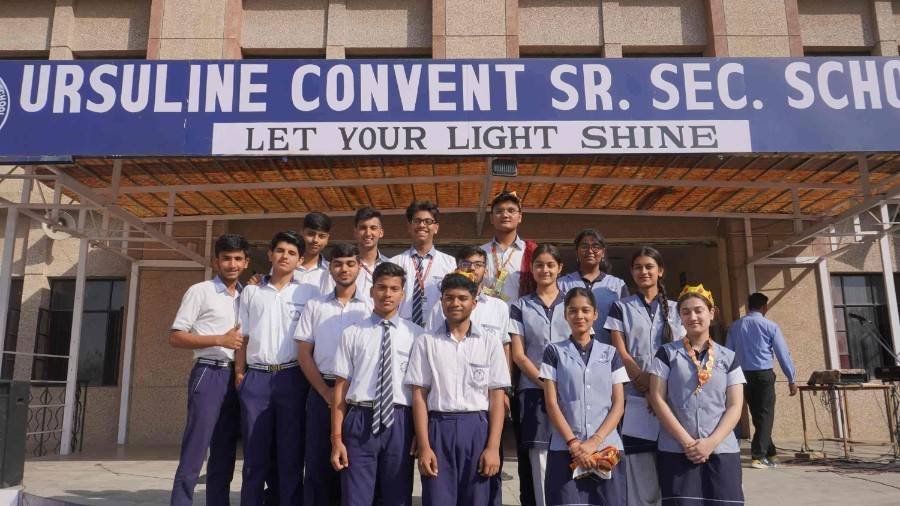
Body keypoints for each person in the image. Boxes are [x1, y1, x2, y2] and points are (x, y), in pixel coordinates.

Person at [405, 272, 511, 506]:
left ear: (474, 303)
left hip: (477, 429)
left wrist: (493, 447)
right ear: (441, 301)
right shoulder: (426, 341)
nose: (455, 303)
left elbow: (496, 398)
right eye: (449, 297)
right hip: (438, 428)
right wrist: (424, 446)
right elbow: (419, 396)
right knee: (437, 498)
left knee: (477, 498)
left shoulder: (489, 342)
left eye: (462, 298)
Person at [331, 262, 423, 506]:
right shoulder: (352, 333)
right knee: (355, 497)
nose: (387, 294)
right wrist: (337, 438)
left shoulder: (417, 335)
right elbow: (340, 388)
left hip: (400, 420)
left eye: (394, 289)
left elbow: (420, 391)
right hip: (360, 418)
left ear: (403, 294)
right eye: (381, 287)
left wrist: (419, 433)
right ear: (372, 291)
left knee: (397, 496)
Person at [169, 234, 249, 506]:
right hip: (209, 372)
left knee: (225, 450)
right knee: (196, 446)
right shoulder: (200, 291)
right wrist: (219, 339)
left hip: (237, 376)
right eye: (226, 258)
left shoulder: (247, 296)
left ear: (246, 262)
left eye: (238, 259)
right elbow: (176, 337)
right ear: (216, 261)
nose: (232, 264)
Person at [648, 284, 745, 506]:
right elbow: (657, 398)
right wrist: (687, 442)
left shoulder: (729, 357)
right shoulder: (666, 354)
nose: (692, 317)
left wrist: (711, 442)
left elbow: (735, 405)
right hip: (677, 449)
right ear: (680, 318)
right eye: (686, 312)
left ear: (711, 313)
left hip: (721, 450)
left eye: (698, 310)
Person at [605, 246, 685, 506]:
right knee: (639, 466)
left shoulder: (678, 309)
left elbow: (682, 353)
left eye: (649, 266)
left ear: (660, 271)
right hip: (636, 397)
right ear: (631, 272)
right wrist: (646, 388)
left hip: (671, 398)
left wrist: (657, 392)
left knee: (672, 461)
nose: (644, 272)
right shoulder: (620, 307)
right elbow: (620, 350)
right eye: (638, 267)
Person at [236, 231, 308, 506]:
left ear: (300, 260)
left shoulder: (308, 293)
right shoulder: (251, 292)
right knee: (255, 455)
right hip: (257, 379)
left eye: (291, 253)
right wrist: (240, 374)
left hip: (292, 377)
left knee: (290, 455)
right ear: (270, 254)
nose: (285, 256)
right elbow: (242, 337)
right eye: (280, 251)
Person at [295, 244, 371, 505]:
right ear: (330, 268)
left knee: (354, 464)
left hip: (359, 393)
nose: (344, 269)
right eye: (338, 264)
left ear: (359, 266)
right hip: (322, 388)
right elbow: (304, 354)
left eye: (350, 263)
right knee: (318, 463)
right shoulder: (315, 305)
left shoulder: (370, 306)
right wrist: (325, 392)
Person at [541, 287, 628, 506]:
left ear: (595, 314)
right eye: (573, 311)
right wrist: (574, 444)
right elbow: (551, 403)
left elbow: (618, 404)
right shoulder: (553, 352)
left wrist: (594, 442)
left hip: (607, 449)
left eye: (585, 310)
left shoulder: (611, 353)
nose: (579, 316)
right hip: (566, 449)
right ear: (565, 315)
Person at [509, 244, 571, 506]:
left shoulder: (573, 303)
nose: (545, 270)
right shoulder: (520, 306)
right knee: (540, 459)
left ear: (560, 268)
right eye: (539, 265)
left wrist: (563, 385)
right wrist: (547, 385)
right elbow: (519, 355)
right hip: (534, 391)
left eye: (550, 265)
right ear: (532, 269)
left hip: (571, 391)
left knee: (571, 453)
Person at [726, 292, 798, 469]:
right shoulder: (770, 326)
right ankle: (758, 456)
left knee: (758, 415)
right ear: (765, 307)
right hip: (763, 374)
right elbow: (783, 354)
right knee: (765, 415)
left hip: (742, 375)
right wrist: (791, 378)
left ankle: (770, 453)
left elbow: (727, 353)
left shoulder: (735, 326)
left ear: (748, 306)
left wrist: (727, 379)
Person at [389, 200, 456, 328]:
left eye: (428, 221)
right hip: (402, 329)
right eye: (417, 221)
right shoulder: (394, 263)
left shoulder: (450, 263)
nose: (422, 225)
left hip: (438, 330)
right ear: (409, 226)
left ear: (436, 228)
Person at [558, 228, 629, 344]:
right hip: (569, 350)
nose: (590, 251)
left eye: (595, 246)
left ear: (603, 252)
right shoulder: (562, 284)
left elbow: (625, 325)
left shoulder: (618, 285)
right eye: (584, 246)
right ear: (576, 252)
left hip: (607, 351)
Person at [480, 190, 538, 302]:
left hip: (522, 312)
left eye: (511, 210)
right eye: (499, 211)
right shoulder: (480, 253)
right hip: (487, 312)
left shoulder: (532, 252)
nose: (505, 215)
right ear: (491, 218)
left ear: (520, 217)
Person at [353, 206, 390, 303]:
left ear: (381, 233)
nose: (368, 233)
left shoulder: (390, 265)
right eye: (363, 228)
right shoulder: (346, 267)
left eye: (373, 228)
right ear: (355, 232)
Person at [296, 211, 335, 294]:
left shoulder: (331, 271)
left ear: (327, 239)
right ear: (301, 233)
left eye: (321, 236)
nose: (315, 240)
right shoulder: (285, 266)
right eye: (310, 234)